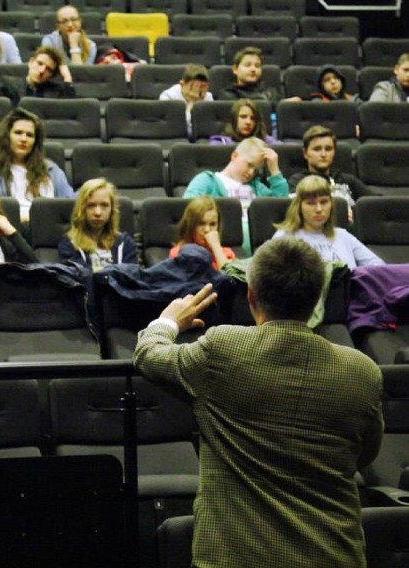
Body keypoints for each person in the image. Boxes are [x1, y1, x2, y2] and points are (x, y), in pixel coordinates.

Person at [133, 237, 383, 568]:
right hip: (333, 556)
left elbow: (148, 355)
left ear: (251, 296)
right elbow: (364, 453)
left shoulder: (223, 349)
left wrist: (168, 322)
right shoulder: (362, 371)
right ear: (317, 299)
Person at [184, 137, 288, 254]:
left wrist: (274, 170)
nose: (251, 172)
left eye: (256, 169)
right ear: (234, 156)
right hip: (224, 241)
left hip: (260, 242)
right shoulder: (207, 180)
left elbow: (280, 208)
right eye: (249, 165)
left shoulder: (256, 186)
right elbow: (188, 206)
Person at [0, 108, 74, 223]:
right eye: (18, 133)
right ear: (7, 136)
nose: (24, 139)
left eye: (30, 135)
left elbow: (70, 205)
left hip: (51, 232)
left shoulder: (52, 170)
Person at [273, 175, 385, 269]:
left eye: (324, 202)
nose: (319, 209)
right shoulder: (285, 237)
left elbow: (379, 268)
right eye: (311, 203)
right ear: (299, 206)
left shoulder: (343, 235)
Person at [287, 125, 375, 212]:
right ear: (305, 153)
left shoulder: (348, 180)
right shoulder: (297, 182)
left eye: (328, 149)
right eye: (317, 149)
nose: (323, 154)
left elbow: (377, 202)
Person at [58, 178, 137, 270]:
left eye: (104, 205)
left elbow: (132, 278)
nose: (98, 213)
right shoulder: (69, 244)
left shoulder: (125, 243)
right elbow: (81, 279)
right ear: (82, 209)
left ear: (111, 210)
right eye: (91, 205)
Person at [169, 196, 235, 270]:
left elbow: (231, 278)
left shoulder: (226, 254)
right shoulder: (178, 253)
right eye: (201, 224)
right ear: (191, 225)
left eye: (212, 224)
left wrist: (216, 248)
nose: (207, 229)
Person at [0, 45, 75, 107]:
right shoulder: (9, 85)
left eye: (48, 69)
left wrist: (67, 78)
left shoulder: (56, 91)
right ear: (31, 62)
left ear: (51, 76)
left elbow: (68, 112)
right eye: (40, 63)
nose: (42, 71)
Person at [220, 46, 301, 103]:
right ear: (235, 69)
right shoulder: (228, 94)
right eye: (247, 65)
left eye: (257, 66)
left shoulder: (271, 93)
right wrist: (279, 105)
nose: (253, 69)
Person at [159, 63, 212, 135]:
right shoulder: (167, 97)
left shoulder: (208, 97)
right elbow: (171, 126)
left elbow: (209, 124)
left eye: (202, 86)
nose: (197, 90)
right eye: (192, 86)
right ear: (182, 84)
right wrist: (191, 103)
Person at [209, 98, 277, 145]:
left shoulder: (267, 142)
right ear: (234, 119)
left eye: (252, 118)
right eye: (243, 117)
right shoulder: (221, 143)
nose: (248, 122)